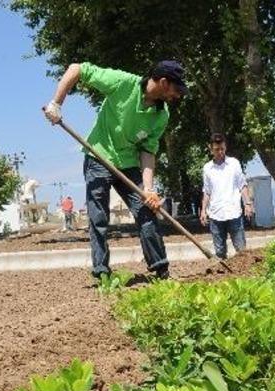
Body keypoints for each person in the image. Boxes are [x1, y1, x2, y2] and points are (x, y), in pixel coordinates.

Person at [43, 60, 187, 280]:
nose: (177, 95)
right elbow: (77, 69)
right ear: (164, 83)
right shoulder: (123, 83)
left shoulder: (161, 114)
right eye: (176, 90)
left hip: (129, 164)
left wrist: (148, 189)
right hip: (98, 158)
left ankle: (160, 269)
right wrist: (56, 103)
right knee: (98, 218)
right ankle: (102, 272)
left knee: (146, 211)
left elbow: (148, 151)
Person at [200, 133, 253, 259]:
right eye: (216, 149)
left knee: (241, 250)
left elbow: (242, 185)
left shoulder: (234, 164)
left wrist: (247, 204)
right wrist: (203, 210)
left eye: (222, 149)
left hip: (234, 212)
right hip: (216, 215)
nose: (220, 152)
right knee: (220, 253)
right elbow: (207, 191)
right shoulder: (207, 168)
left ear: (225, 147)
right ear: (210, 149)